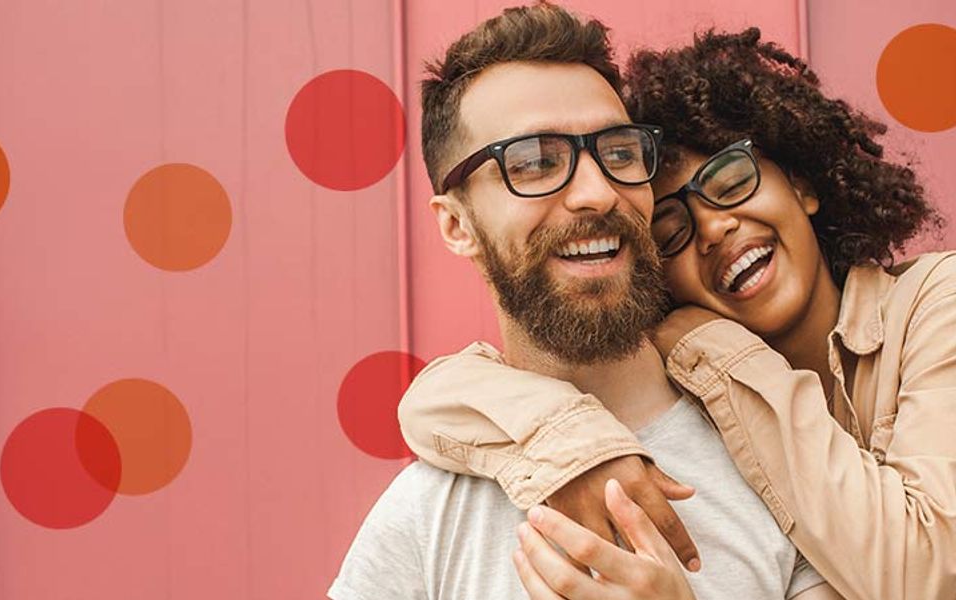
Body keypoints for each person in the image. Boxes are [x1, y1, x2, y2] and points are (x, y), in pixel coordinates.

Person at [397, 17, 956, 600]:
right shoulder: (688, 413)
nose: (713, 228)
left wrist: (708, 341)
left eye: (732, 180)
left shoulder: (937, 301)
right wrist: (579, 445)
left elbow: (930, 578)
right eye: (671, 228)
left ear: (802, 183)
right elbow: (431, 403)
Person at [329, 3, 840, 599]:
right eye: (535, 162)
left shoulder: (779, 455)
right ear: (456, 225)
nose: (597, 192)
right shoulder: (423, 521)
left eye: (619, 153)